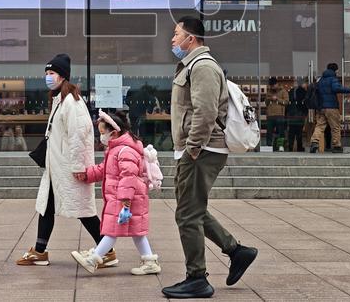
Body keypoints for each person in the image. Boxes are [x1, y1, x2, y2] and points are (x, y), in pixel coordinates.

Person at [163, 16, 258, 299]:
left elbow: (204, 113)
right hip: (197, 149)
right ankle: (236, 251)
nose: (173, 39)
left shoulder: (202, 66)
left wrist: (192, 148)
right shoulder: (193, 65)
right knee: (191, 210)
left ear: (190, 38)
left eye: (176, 34)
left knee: (187, 215)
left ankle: (197, 278)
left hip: (203, 150)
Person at [17, 54, 107, 267]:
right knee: (46, 206)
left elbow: (78, 135)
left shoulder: (71, 102)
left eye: (52, 73)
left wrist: (78, 166)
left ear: (63, 76)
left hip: (68, 166)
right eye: (46, 73)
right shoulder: (60, 99)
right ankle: (40, 250)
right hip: (56, 165)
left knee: (83, 211)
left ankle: (107, 249)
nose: (48, 77)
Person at [71, 109, 161, 276]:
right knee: (137, 232)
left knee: (112, 231)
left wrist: (125, 202)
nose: (101, 137)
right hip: (126, 198)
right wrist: (86, 174)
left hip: (125, 199)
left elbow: (129, 177)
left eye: (103, 133)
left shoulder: (124, 150)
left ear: (114, 132)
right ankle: (149, 261)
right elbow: (104, 170)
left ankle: (94, 259)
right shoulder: (116, 149)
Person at [310, 63, 350, 154]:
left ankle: (314, 142)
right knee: (335, 127)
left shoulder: (321, 80)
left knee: (320, 126)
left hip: (321, 107)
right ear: (335, 70)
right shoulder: (333, 79)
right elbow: (336, 88)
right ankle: (336, 146)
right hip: (331, 107)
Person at [264, 78, 287, 150]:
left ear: (277, 84)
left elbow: (286, 102)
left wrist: (277, 99)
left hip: (280, 114)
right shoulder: (269, 92)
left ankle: (280, 146)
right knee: (269, 132)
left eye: (273, 85)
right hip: (270, 115)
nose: (272, 87)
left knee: (280, 131)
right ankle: (269, 146)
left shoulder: (283, 91)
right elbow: (266, 103)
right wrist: (270, 98)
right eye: (271, 85)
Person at [286, 79, 308, 152]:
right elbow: (305, 102)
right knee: (299, 132)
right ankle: (299, 147)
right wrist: (305, 113)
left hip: (291, 113)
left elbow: (288, 103)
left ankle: (290, 147)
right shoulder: (303, 91)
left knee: (291, 132)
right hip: (300, 113)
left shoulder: (291, 91)